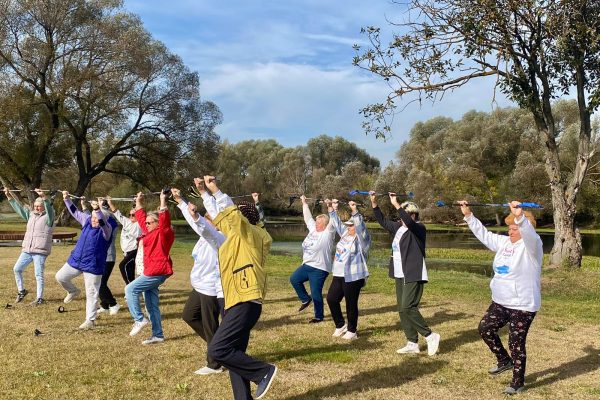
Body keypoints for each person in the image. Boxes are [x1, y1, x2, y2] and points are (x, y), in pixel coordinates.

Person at [201, 175, 276, 400]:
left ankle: (264, 372)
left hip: (245, 301)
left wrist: (215, 189)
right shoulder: (238, 238)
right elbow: (220, 218)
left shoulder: (251, 235)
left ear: (244, 220)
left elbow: (231, 216)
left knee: (218, 350)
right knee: (234, 353)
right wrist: (204, 194)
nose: (226, 222)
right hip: (238, 300)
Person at [459, 200, 542, 395]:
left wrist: (520, 217)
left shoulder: (532, 247)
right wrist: (468, 215)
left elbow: (529, 234)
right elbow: (484, 235)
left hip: (523, 304)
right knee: (485, 328)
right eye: (509, 228)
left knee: (516, 342)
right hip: (501, 302)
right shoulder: (504, 243)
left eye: (515, 228)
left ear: (524, 229)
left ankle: (517, 382)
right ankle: (504, 360)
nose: (510, 231)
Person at [370, 191, 440, 356]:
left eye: (407, 214)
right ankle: (412, 342)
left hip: (413, 272)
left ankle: (430, 336)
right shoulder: (398, 228)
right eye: (402, 215)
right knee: (402, 309)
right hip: (400, 273)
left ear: (414, 215)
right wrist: (374, 203)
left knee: (408, 306)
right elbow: (383, 221)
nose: (403, 218)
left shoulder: (418, 228)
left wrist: (396, 204)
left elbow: (408, 221)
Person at [172, 186, 225, 375]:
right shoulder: (205, 234)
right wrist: (180, 201)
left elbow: (200, 224)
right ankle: (222, 348)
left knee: (211, 326)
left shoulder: (218, 238)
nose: (205, 220)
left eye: (209, 218)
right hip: (199, 286)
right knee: (189, 316)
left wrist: (195, 216)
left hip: (211, 289)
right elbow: (196, 223)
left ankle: (215, 363)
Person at [55, 192, 113, 329]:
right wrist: (67, 199)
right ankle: (73, 291)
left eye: (96, 218)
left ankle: (90, 320)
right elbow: (75, 212)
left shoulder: (107, 230)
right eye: (92, 217)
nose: (94, 220)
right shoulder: (87, 221)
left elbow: (102, 222)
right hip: (76, 261)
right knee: (60, 277)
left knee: (92, 293)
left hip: (93, 265)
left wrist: (97, 210)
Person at [125, 190, 174, 345]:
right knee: (151, 305)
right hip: (151, 271)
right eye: (146, 223)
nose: (145, 224)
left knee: (130, 289)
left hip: (157, 271)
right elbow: (140, 217)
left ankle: (139, 319)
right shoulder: (149, 232)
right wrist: (138, 201)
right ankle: (158, 335)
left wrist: (162, 201)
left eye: (149, 222)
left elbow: (165, 219)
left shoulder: (163, 233)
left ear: (157, 223)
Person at [325, 199, 371, 341]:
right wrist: (332, 209)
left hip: (353, 276)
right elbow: (337, 223)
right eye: (348, 225)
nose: (349, 228)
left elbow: (360, 226)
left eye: (351, 226)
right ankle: (340, 325)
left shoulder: (362, 240)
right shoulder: (345, 234)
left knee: (351, 303)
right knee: (331, 299)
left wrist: (354, 211)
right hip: (339, 274)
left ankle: (352, 330)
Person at [289, 195, 336, 323]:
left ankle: (318, 316)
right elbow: (307, 217)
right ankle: (305, 299)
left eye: (319, 222)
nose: (316, 223)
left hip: (319, 268)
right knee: (294, 279)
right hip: (306, 265)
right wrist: (304, 203)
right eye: (316, 222)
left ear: (324, 224)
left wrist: (331, 207)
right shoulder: (313, 230)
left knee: (316, 292)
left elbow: (333, 221)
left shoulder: (328, 234)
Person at [5, 188, 55, 305]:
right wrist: (9, 196)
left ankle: (39, 298)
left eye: (39, 206)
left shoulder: (49, 217)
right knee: (17, 269)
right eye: (35, 206)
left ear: (43, 206)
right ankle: (22, 291)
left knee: (38, 274)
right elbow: (19, 209)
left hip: (40, 251)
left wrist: (43, 197)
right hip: (27, 249)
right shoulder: (31, 215)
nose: (37, 208)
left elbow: (49, 209)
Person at [106, 197, 141, 286]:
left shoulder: (139, 224)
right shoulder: (127, 222)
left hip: (134, 251)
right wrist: (110, 203)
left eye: (134, 215)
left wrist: (138, 202)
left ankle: (130, 288)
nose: (131, 216)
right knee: (130, 271)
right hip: (125, 252)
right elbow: (117, 213)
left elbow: (141, 212)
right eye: (130, 215)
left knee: (122, 266)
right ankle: (133, 290)